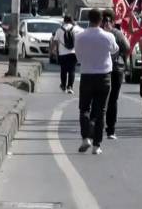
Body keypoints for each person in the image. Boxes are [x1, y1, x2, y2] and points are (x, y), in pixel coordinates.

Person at [75, 9, 119, 155]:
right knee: (101, 112)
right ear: (101, 21)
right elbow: (114, 50)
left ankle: (85, 137)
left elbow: (78, 56)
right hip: (104, 76)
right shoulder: (108, 36)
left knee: (84, 108)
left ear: (88, 19)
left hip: (87, 75)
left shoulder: (80, 36)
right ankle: (96, 145)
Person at [102, 10, 130, 140]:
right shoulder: (112, 33)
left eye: (108, 21)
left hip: (108, 69)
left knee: (107, 99)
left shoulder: (112, 33)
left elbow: (126, 47)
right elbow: (127, 47)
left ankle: (106, 128)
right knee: (108, 99)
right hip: (110, 69)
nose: (107, 23)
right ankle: (107, 128)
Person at [54, 15, 83, 94]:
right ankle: (70, 86)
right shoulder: (77, 29)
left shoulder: (59, 30)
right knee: (72, 70)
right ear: (72, 20)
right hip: (73, 53)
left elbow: (56, 41)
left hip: (62, 53)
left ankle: (63, 86)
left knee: (63, 70)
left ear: (64, 20)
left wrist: (56, 52)